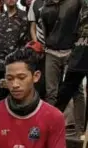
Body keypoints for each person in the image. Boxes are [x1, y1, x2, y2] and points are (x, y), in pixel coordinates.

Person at [41, 0, 85, 136]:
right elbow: (44, 30)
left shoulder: (76, 2)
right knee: (51, 92)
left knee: (77, 91)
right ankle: (52, 129)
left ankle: (80, 130)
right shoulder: (45, 8)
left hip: (72, 50)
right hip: (51, 51)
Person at [55, 0, 88, 140]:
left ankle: (84, 131)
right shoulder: (76, 4)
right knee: (65, 91)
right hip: (79, 51)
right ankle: (50, 123)